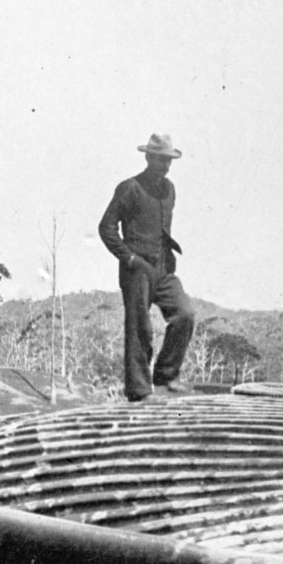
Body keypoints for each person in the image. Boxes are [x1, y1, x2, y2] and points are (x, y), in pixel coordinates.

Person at [98, 133, 196, 402]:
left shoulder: (169, 190)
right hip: (136, 270)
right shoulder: (129, 187)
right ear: (148, 158)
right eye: (160, 159)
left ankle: (166, 376)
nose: (165, 165)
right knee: (140, 328)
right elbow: (106, 228)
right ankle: (139, 392)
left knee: (185, 314)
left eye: (168, 160)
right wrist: (129, 258)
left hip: (163, 268)